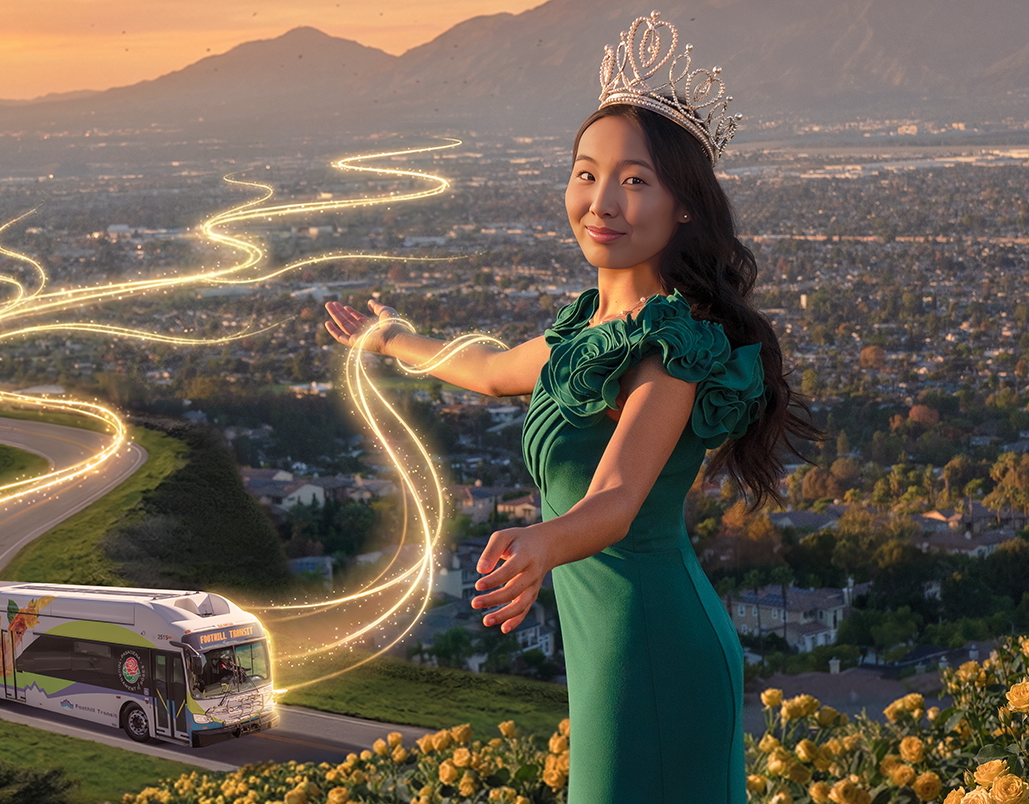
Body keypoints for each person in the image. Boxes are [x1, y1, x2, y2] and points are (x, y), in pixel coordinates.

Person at [324, 13, 818, 803]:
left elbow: (618, 500)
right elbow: (487, 370)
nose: (602, 200)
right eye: (587, 173)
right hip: (606, 646)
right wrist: (390, 340)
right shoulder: (583, 330)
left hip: (652, 644)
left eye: (635, 180)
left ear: (683, 205)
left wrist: (541, 542)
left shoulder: (671, 346)